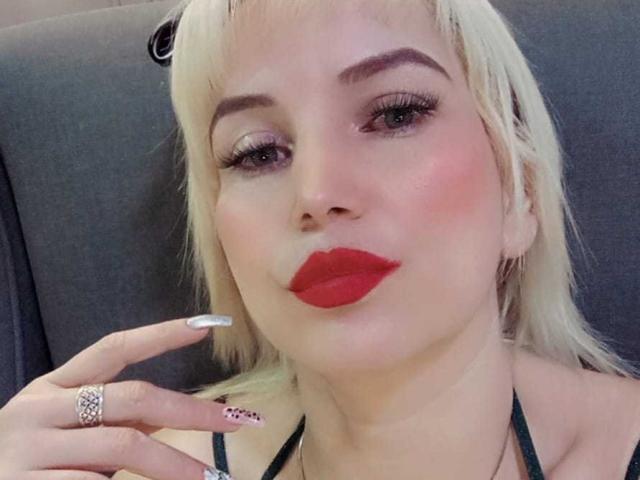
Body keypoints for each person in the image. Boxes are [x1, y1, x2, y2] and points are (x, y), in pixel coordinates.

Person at [1, 0, 639, 479]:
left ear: (520, 193)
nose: (316, 192)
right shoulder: (158, 470)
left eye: (395, 114)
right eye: (257, 152)